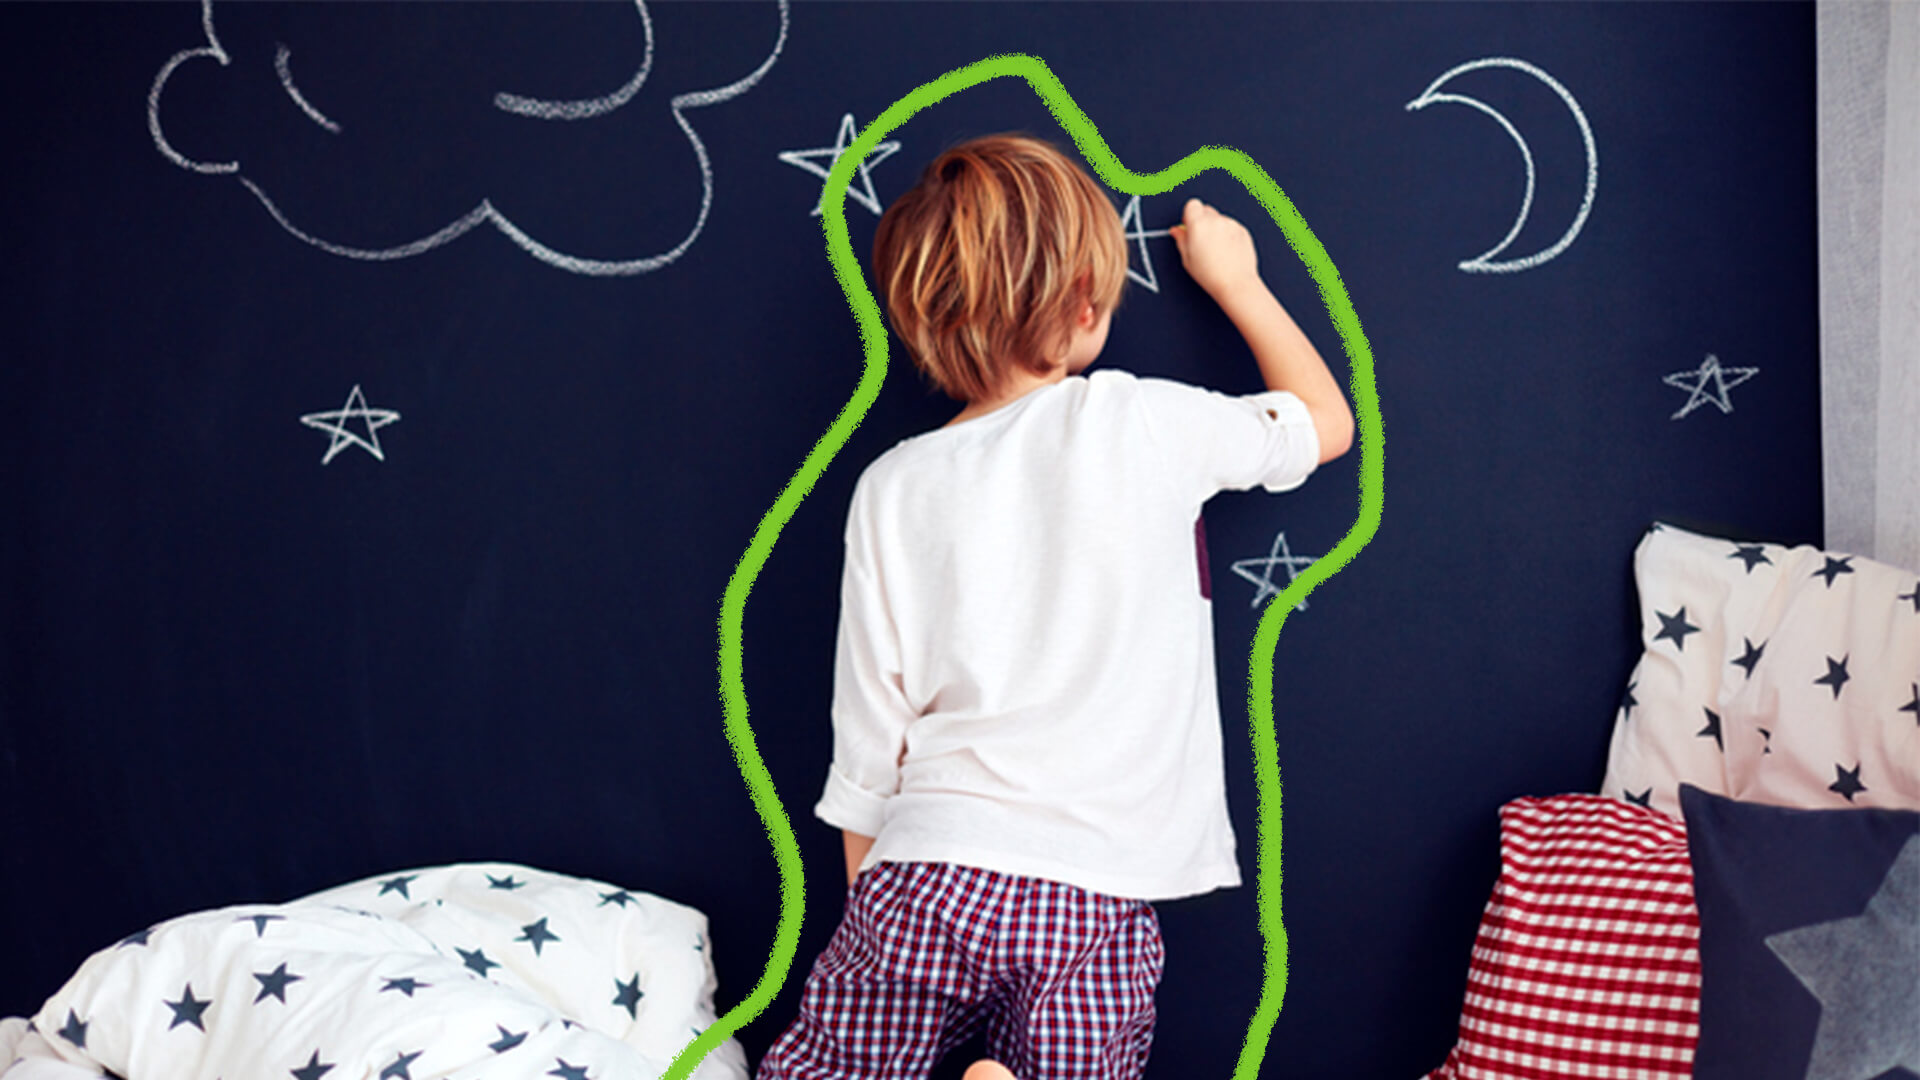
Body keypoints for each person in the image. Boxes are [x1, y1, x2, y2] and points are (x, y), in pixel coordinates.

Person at [757, 133, 1354, 1080]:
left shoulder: (892, 483)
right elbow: (1326, 426)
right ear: (1085, 302)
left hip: (924, 866)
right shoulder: (1139, 418)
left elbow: (869, 735)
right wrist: (1236, 278)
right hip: (1093, 888)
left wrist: (873, 925)